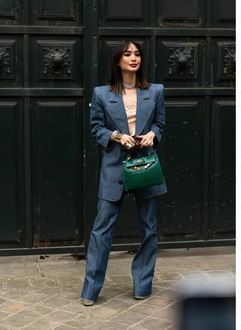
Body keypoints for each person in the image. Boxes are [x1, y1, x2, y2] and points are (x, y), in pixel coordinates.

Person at [81, 40, 166, 306]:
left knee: (149, 228)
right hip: (114, 166)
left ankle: (142, 284)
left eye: (137, 54)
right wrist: (117, 136)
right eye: (127, 54)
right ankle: (90, 290)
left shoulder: (156, 91)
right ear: (118, 60)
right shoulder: (101, 94)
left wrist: (153, 134)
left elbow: (159, 123)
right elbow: (96, 129)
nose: (133, 58)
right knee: (101, 230)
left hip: (145, 165)